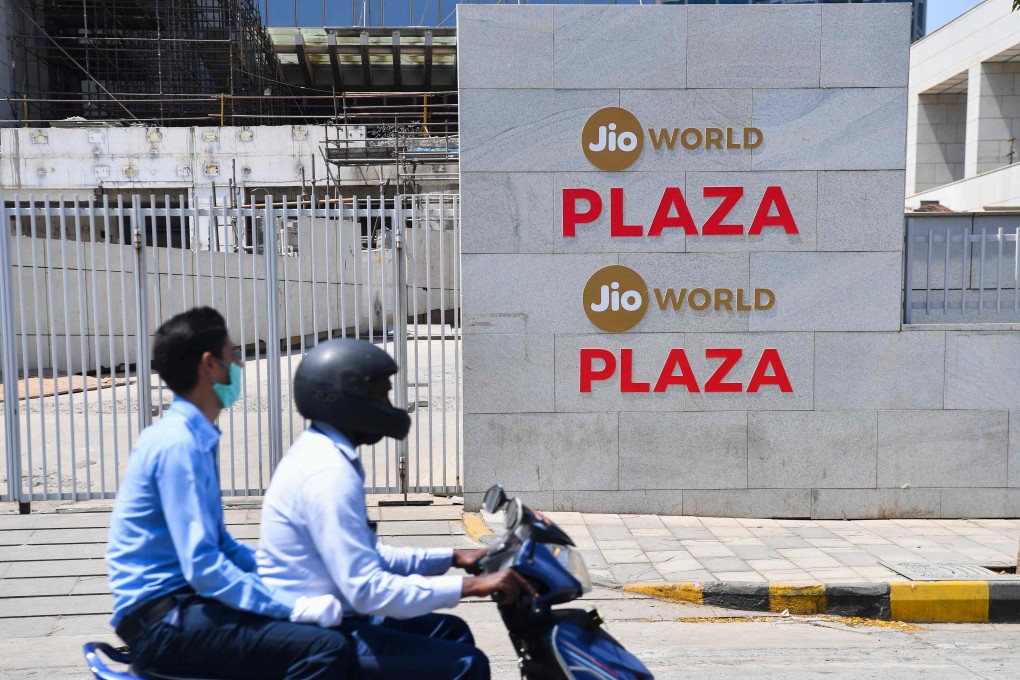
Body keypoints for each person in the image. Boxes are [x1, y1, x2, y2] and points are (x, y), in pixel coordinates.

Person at [257, 338, 536, 680]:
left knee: (451, 632)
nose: (389, 406)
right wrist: (470, 587)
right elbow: (367, 590)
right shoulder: (328, 474)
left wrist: (453, 557)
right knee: (466, 664)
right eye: (382, 394)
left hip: (337, 612)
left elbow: (369, 557)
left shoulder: (324, 452)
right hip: (317, 631)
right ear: (348, 397)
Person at [105, 307, 354, 680]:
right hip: (165, 622)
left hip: (182, 606)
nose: (239, 364)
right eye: (233, 356)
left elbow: (221, 545)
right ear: (210, 365)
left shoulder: (194, 437)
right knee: (326, 648)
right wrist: (294, 606)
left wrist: (286, 572)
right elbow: (205, 566)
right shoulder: (179, 446)